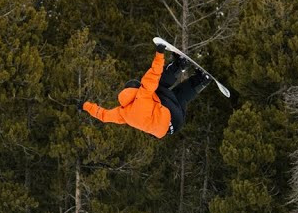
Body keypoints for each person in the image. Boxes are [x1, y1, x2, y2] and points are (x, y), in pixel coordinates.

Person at [79, 41, 212, 139]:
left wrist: (85, 106)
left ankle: (202, 80)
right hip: (168, 114)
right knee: (157, 85)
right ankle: (179, 65)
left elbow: (103, 115)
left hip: (174, 126)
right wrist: (159, 54)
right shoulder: (142, 94)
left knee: (176, 97)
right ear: (135, 89)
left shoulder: (123, 113)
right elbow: (154, 74)